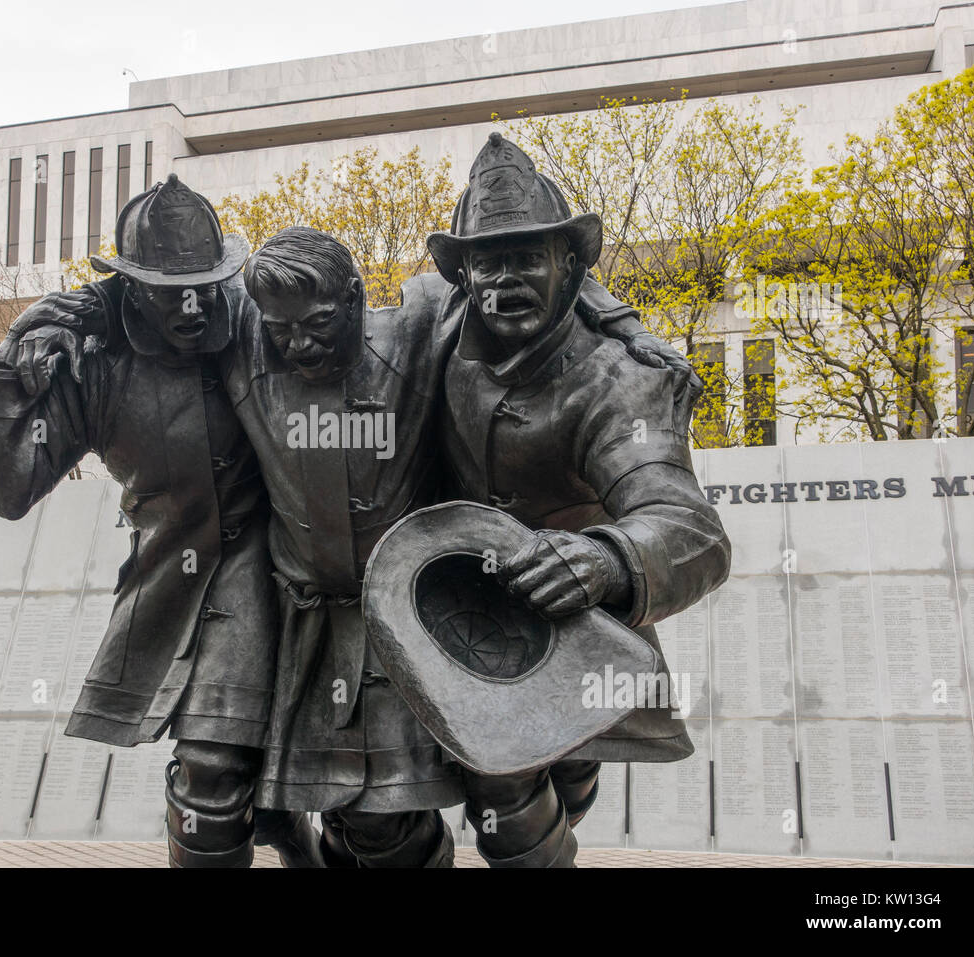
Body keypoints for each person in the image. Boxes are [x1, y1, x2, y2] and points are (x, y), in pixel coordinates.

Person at [224, 225, 693, 866]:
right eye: (282, 330)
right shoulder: (249, 340)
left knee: (523, 792)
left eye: (319, 323)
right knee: (369, 815)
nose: (300, 344)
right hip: (327, 623)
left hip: (441, 597)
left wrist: (628, 327)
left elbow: (518, 272)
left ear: (355, 296)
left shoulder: (416, 321)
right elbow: (180, 287)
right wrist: (86, 309)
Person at [0, 174, 319, 868]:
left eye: (206, 283)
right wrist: (9, 369)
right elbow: (11, 491)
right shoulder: (91, 358)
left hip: (290, 563)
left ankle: (287, 822)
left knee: (274, 769)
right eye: (171, 289)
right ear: (131, 285)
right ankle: (279, 822)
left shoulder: (255, 314)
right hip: (176, 573)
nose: (194, 302)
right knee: (212, 783)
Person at [428, 133, 732, 866]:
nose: (506, 281)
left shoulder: (618, 381)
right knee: (470, 796)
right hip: (445, 608)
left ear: (567, 264)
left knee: (560, 778)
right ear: (463, 274)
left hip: (571, 618)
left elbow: (688, 526)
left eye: (528, 258)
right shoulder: (430, 332)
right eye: (488, 262)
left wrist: (608, 559)